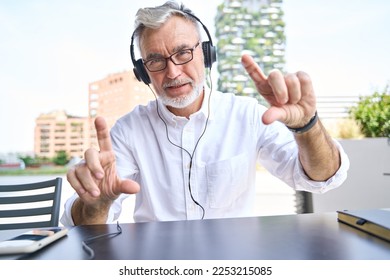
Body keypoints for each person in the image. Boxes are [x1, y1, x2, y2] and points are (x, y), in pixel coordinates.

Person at [60, 1, 349, 226]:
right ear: (143, 73)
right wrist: (97, 203)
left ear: (206, 54)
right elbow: (88, 223)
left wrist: (307, 127)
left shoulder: (246, 115)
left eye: (183, 52)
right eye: (156, 60)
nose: (172, 72)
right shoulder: (128, 130)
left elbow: (321, 179)